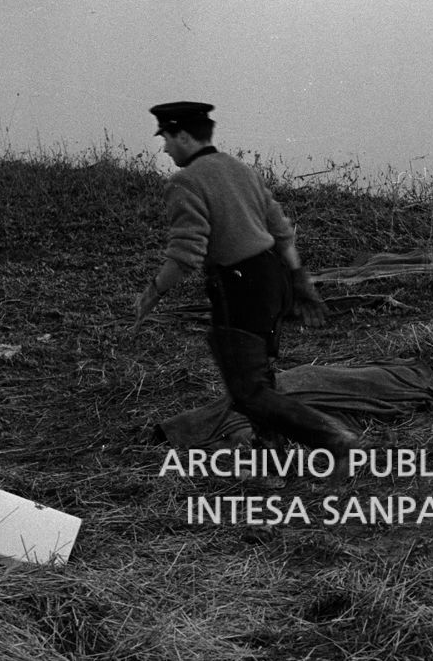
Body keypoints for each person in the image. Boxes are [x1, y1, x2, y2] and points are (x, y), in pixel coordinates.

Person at [133, 101, 357, 453]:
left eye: (167, 138)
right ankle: (276, 461)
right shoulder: (240, 168)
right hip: (273, 279)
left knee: (247, 393)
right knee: (259, 380)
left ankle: (334, 438)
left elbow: (185, 253)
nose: (164, 147)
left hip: (239, 289)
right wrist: (299, 280)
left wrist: (153, 292)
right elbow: (281, 231)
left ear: (184, 136)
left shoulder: (185, 182)